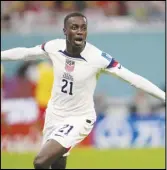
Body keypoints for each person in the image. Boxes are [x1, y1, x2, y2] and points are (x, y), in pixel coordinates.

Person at [1, 12, 165, 169]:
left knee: (40, 161)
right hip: (54, 115)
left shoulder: (97, 58)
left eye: (83, 28)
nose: (80, 32)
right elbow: (25, 53)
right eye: (74, 27)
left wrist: (163, 96)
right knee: (57, 164)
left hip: (79, 118)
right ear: (65, 31)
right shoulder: (54, 47)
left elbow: (133, 79)